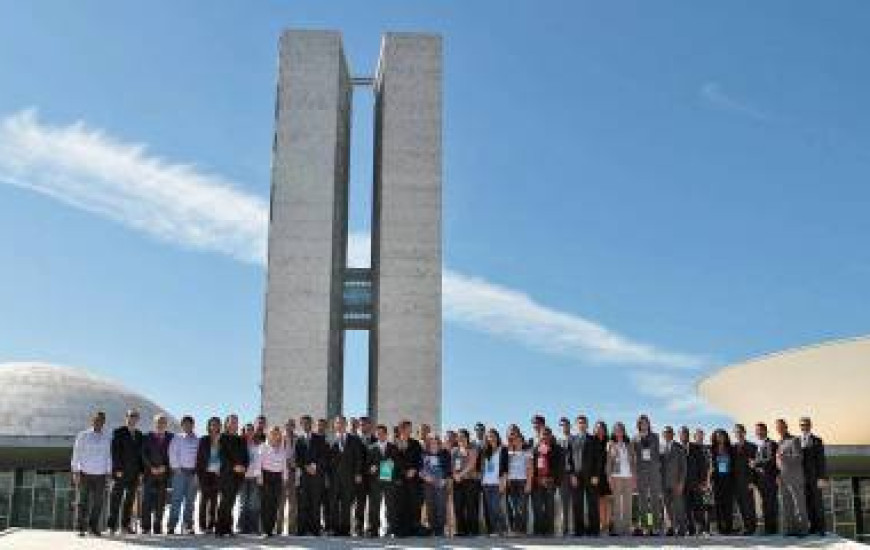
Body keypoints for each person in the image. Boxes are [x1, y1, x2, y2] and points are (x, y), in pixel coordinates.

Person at [71, 411, 112, 537]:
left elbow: (109, 456)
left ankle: (93, 527)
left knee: (98, 503)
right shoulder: (83, 435)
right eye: (97, 419)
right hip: (85, 473)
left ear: (104, 422)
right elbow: (76, 453)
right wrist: (76, 471)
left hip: (101, 474)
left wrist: (109, 473)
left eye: (101, 420)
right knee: (82, 501)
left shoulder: (108, 437)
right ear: (92, 420)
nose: (99, 422)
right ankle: (80, 528)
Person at [107, 409, 143, 535]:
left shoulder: (139, 434)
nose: (132, 418)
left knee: (129, 501)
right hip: (121, 472)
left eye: (135, 416)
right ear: (126, 417)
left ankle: (125, 526)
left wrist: (141, 472)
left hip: (134, 473)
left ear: (137, 419)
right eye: (130, 416)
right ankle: (111, 526)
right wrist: (117, 469)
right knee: (116, 500)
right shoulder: (119, 432)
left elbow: (141, 456)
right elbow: (115, 452)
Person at [327, 415, 365, 536]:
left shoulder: (354, 439)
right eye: (337, 423)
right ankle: (334, 528)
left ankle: (345, 529)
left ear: (346, 425)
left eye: (342, 423)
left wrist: (358, 473)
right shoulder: (330, 440)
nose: (340, 425)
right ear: (335, 425)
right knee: (333, 504)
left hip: (349, 478)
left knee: (346, 504)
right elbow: (326, 460)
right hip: (334, 479)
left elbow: (359, 458)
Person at [216, 414, 249, 537]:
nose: (235, 424)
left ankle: (228, 528)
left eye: (236, 421)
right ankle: (220, 528)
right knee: (225, 501)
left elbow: (246, 457)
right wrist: (234, 466)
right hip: (227, 474)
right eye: (232, 422)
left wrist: (244, 467)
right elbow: (222, 456)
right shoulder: (222, 438)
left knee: (231, 502)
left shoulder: (242, 439)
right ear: (227, 424)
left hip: (238, 475)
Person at [296, 414, 328, 536]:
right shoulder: (299, 440)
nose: (306, 425)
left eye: (308, 423)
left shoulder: (319, 438)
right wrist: (305, 467)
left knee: (315, 503)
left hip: (316, 476)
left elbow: (323, 456)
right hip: (304, 476)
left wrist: (314, 466)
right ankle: (302, 529)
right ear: (301, 424)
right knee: (303, 503)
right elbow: (298, 458)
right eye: (303, 423)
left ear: (311, 424)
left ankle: (315, 529)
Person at [141, 413, 173, 535]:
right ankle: (146, 527)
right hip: (150, 474)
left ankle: (157, 526)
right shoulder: (147, 436)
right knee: (146, 501)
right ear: (155, 424)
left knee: (161, 502)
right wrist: (151, 468)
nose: (161, 424)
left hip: (163, 475)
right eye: (159, 422)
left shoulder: (171, 437)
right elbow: (143, 454)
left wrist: (166, 467)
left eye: (163, 422)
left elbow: (173, 454)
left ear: (166, 424)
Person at [569, 415, 601, 536]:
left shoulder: (593, 439)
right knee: (577, 504)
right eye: (579, 423)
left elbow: (598, 459)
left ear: (587, 425)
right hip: (577, 477)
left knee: (592, 503)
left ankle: (594, 530)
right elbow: (569, 459)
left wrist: (596, 475)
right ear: (577, 425)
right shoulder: (572, 439)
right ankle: (579, 530)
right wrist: (572, 475)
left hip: (591, 476)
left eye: (584, 422)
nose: (581, 424)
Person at [632, 414, 664, 535]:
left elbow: (657, 454)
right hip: (641, 472)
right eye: (641, 423)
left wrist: (657, 468)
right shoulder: (635, 438)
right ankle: (645, 526)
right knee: (642, 500)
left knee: (655, 499)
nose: (644, 425)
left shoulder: (655, 437)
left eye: (646, 422)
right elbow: (633, 456)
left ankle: (655, 526)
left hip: (654, 471)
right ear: (639, 425)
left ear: (649, 424)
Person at [776, 418, 809, 536]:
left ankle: (803, 530)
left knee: (798, 504)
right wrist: (778, 474)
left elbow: (798, 457)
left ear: (786, 427)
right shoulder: (779, 442)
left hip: (795, 477)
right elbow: (778, 462)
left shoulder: (794, 440)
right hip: (783, 478)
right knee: (787, 504)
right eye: (777, 427)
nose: (779, 429)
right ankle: (790, 529)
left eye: (781, 426)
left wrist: (784, 457)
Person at [167, 415, 199, 535]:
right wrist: (176, 468)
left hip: (192, 474)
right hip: (179, 473)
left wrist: (196, 473)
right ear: (182, 425)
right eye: (185, 424)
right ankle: (171, 526)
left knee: (190, 501)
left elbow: (199, 458)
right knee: (176, 500)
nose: (187, 426)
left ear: (192, 425)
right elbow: (172, 453)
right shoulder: (177, 438)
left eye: (189, 424)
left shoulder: (197, 440)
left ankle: (188, 525)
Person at [394, 419, 424, 537]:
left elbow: (420, 460)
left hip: (413, 480)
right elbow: (393, 461)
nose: (410, 430)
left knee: (414, 504)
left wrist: (415, 469)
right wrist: (403, 471)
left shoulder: (416, 444)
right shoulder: (394, 444)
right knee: (401, 504)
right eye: (408, 428)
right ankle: (401, 529)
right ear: (402, 429)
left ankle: (414, 527)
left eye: (410, 428)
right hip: (399, 480)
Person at [257, 425, 288, 537]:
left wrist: (285, 478)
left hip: (277, 477)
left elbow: (284, 465)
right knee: (266, 504)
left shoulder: (282, 448)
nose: (275, 435)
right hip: (266, 476)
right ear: (269, 435)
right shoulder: (263, 447)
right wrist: (259, 477)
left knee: (275, 504)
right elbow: (258, 463)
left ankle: (270, 529)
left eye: (277, 433)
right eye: (273, 433)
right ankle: (265, 529)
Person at [605, 421, 635, 536]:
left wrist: (634, 477)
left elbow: (633, 461)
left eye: (621, 430)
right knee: (617, 504)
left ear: (624, 431)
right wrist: (609, 477)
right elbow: (608, 463)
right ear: (613, 432)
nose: (619, 432)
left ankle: (627, 529)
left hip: (628, 476)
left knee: (628, 503)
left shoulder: (629, 444)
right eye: (616, 430)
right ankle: (617, 529)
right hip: (616, 477)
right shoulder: (610, 445)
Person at [799, 417, 827, 536]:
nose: (804, 426)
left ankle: (821, 528)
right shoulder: (797, 440)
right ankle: (813, 527)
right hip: (802, 478)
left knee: (817, 503)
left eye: (806, 424)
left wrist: (822, 477)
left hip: (815, 478)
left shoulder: (817, 440)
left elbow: (821, 460)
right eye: (802, 425)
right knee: (808, 503)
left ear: (810, 425)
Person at [368, 424, 397, 537]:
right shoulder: (371, 448)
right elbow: (367, 464)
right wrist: (370, 469)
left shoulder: (393, 447)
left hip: (389, 481)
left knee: (390, 506)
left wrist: (393, 465)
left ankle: (390, 529)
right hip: (375, 481)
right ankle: (373, 529)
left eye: (381, 433)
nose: (379, 435)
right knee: (374, 506)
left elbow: (398, 462)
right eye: (377, 433)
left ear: (386, 434)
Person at [532, 426, 562, 536]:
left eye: (547, 434)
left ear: (550, 436)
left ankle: (549, 530)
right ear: (539, 436)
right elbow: (532, 466)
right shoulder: (535, 449)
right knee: (538, 507)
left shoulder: (557, 449)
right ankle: (538, 530)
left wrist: (553, 479)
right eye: (542, 434)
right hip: (537, 482)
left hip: (551, 482)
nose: (544, 436)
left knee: (550, 507)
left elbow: (560, 466)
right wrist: (537, 479)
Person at [195, 416, 222, 534]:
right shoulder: (203, 440)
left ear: (219, 426)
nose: (214, 426)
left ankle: (211, 525)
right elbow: (199, 458)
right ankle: (202, 525)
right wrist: (198, 474)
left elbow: (225, 457)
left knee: (214, 501)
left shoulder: (223, 439)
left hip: (217, 474)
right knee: (204, 500)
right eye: (212, 424)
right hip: (205, 473)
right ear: (209, 426)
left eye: (216, 424)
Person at [479, 428, 508, 536]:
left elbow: (505, 468)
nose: (491, 438)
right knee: (489, 509)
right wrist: (481, 480)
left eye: (493, 436)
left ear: (497, 437)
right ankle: (492, 530)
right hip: (486, 483)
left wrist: (503, 482)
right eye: (489, 436)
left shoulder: (503, 449)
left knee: (496, 508)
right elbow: (482, 468)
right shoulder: (485, 450)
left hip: (497, 483)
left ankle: (502, 530)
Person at [451, 428, 480, 536]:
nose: (460, 438)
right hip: (457, 482)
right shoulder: (454, 450)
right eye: (459, 436)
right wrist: (455, 475)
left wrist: (460, 475)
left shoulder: (473, 449)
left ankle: (473, 531)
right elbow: (452, 466)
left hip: (470, 481)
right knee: (458, 506)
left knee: (470, 506)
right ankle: (461, 530)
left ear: (467, 438)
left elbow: (472, 464)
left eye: (462, 436)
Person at [421, 434, 452, 536]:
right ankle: (432, 527)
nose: (433, 443)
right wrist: (425, 476)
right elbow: (420, 468)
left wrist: (445, 480)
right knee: (430, 506)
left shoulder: (445, 453)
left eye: (435, 441)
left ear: (439, 443)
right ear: (428, 443)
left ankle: (440, 529)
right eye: (431, 441)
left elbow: (448, 468)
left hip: (441, 483)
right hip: (428, 483)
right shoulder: (424, 453)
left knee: (441, 506)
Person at [753, 422, 779, 535]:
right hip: (761, 480)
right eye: (756, 431)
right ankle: (768, 528)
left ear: (765, 430)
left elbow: (771, 460)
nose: (758, 432)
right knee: (765, 504)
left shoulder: (771, 444)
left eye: (760, 430)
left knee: (771, 504)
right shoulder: (758, 445)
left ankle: (772, 529)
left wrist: (755, 463)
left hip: (770, 479)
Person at [683, 427, 710, 536]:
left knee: (699, 507)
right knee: (687, 508)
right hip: (684, 483)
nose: (684, 436)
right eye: (682, 434)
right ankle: (691, 529)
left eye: (686, 434)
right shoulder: (679, 447)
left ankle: (703, 529)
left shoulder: (696, 448)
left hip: (696, 483)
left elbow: (703, 466)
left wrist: (703, 482)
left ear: (689, 435)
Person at [731, 424, 758, 535]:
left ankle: (752, 527)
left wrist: (753, 481)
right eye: (736, 432)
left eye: (740, 431)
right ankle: (746, 527)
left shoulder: (752, 446)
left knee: (749, 505)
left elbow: (754, 466)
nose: (738, 434)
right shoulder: (732, 448)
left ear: (744, 432)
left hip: (748, 481)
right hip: (735, 481)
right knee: (741, 505)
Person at [661, 425, 687, 536]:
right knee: (667, 507)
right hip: (663, 483)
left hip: (676, 482)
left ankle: (681, 529)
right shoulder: (660, 448)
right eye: (665, 432)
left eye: (669, 432)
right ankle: (670, 528)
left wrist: (681, 482)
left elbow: (683, 467)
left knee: (678, 506)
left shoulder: (679, 447)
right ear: (663, 435)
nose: (667, 434)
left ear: (673, 434)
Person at [506, 430, 532, 536]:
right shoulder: (509, 453)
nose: (517, 442)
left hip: (522, 482)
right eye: (515, 440)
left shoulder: (527, 453)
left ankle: (522, 530)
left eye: (519, 440)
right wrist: (507, 481)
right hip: (511, 482)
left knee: (522, 507)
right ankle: (515, 530)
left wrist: (529, 483)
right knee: (513, 506)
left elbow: (530, 469)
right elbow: (506, 469)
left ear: (522, 441)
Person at [237, 423, 261, 534]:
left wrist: (260, 475)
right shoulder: (240, 444)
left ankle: (253, 527)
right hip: (242, 477)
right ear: (244, 431)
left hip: (254, 477)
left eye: (251, 430)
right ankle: (242, 527)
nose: (250, 431)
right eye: (248, 430)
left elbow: (260, 461)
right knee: (243, 503)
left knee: (253, 504)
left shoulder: (258, 444)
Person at [355, 416, 377, 537]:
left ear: (370, 426)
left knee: (373, 503)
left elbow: (380, 457)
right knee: (360, 503)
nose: (364, 426)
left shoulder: (375, 439)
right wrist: (356, 473)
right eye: (362, 424)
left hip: (373, 477)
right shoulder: (354, 439)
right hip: (359, 477)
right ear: (359, 426)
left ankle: (371, 528)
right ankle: (358, 528)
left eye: (366, 424)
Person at [276, 418, 297, 535]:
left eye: (292, 425)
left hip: (293, 473)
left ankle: (292, 530)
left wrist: (295, 462)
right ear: (285, 426)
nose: (290, 427)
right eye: (288, 425)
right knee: (280, 502)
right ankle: (278, 529)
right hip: (281, 473)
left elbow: (301, 455)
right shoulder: (279, 438)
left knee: (293, 503)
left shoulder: (298, 439)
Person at [593, 421, 612, 535]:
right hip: (596, 475)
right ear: (595, 430)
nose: (600, 430)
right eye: (598, 428)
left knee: (608, 500)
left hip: (607, 474)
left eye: (602, 428)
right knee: (600, 501)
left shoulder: (609, 442)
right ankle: (602, 524)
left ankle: (608, 525)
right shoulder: (592, 441)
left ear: (605, 430)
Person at [556, 417, 574, 535]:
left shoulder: (574, 439)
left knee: (574, 502)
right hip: (561, 475)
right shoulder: (557, 441)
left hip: (574, 474)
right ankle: (564, 528)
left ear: (569, 426)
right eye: (562, 425)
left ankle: (574, 528)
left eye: (566, 424)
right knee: (563, 502)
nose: (564, 426)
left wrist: (574, 473)